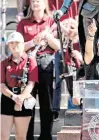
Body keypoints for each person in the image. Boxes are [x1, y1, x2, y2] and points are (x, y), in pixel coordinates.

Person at [16, 0, 60, 139]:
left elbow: (58, 46)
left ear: (45, 3)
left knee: (47, 103)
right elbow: (17, 47)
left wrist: (48, 37)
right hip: (27, 65)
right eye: (33, 0)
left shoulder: (51, 22)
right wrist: (33, 42)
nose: (35, 2)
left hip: (45, 64)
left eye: (39, 0)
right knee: (28, 103)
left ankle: (46, 136)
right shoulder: (23, 23)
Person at [1, 32, 38, 140]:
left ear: (23, 44)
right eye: (11, 42)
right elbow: (2, 85)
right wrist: (14, 97)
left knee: (20, 136)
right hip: (8, 98)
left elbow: (31, 84)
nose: (14, 45)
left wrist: (20, 99)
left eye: (17, 42)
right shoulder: (4, 63)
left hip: (24, 99)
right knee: (3, 136)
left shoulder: (31, 61)